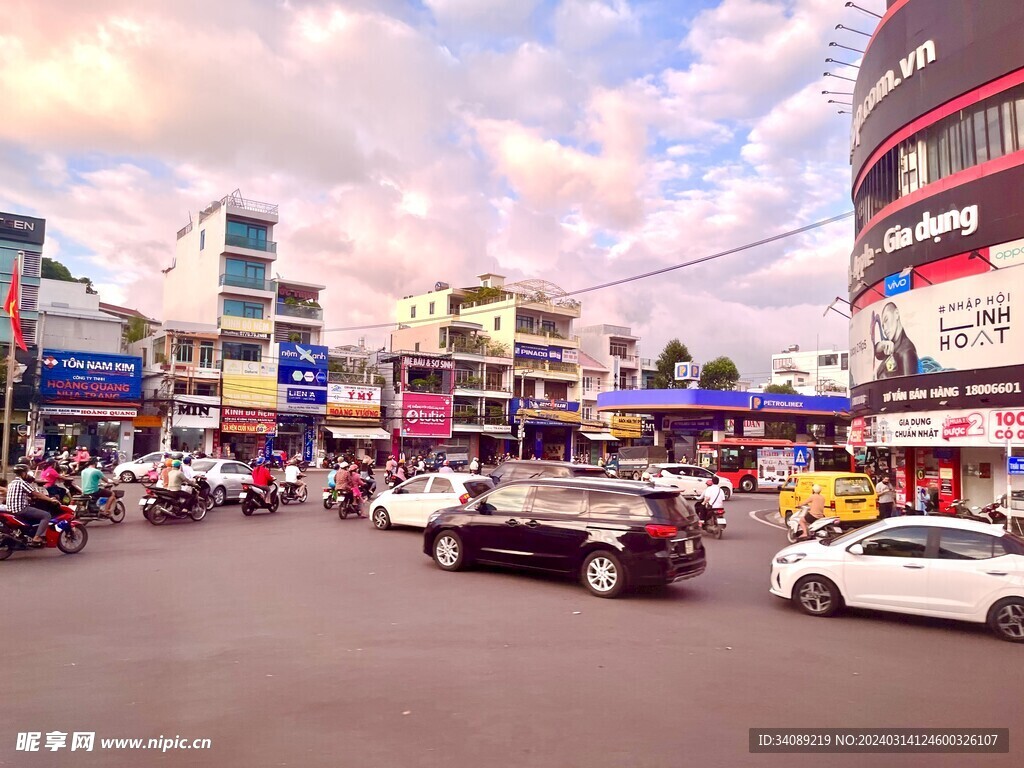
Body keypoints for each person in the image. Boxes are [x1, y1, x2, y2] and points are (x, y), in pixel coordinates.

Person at [6, 465, 53, 546]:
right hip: (21, 509)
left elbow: (24, 495)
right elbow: (36, 494)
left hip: (11, 509)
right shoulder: (22, 483)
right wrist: (51, 500)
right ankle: (37, 537)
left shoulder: (12, 483)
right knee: (46, 515)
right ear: (23, 473)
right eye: (27, 473)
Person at [874, 302, 919, 379]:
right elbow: (877, 354)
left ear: (896, 314)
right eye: (883, 326)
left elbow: (909, 386)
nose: (884, 329)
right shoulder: (892, 345)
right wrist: (880, 345)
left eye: (886, 320)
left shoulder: (906, 351)